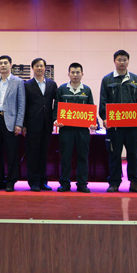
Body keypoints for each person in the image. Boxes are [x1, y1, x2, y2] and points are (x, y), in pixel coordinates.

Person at [99, 50, 137, 193]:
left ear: (128, 61)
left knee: (133, 154)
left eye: (125, 60)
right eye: (119, 60)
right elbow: (103, 101)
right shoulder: (107, 79)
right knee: (114, 154)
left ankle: (135, 183)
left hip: (132, 126)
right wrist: (105, 118)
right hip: (114, 126)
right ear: (114, 61)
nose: (122, 62)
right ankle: (114, 183)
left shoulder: (135, 79)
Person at [53, 63, 97, 193]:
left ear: (82, 74)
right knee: (65, 157)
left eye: (78, 72)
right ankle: (65, 183)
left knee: (83, 157)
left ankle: (82, 184)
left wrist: (93, 122)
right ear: (68, 74)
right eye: (73, 72)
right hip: (66, 129)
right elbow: (56, 108)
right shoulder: (62, 89)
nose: (75, 75)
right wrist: (56, 120)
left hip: (82, 130)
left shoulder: (87, 90)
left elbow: (91, 108)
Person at [0, 55, 26, 192]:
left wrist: (19, 124)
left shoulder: (18, 82)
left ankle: (11, 181)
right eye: (0, 63)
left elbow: (21, 104)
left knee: (12, 153)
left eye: (5, 63)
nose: (3, 65)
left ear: (11, 65)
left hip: (11, 121)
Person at [23, 58, 57, 191]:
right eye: (36, 66)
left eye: (41, 66)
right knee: (33, 154)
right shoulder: (27, 85)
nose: (39, 68)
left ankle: (43, 181)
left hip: (47, 124)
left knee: (44, 154)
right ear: (32, 68)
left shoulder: (52, 84)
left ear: (45, 68)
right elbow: (23, 105)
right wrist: (24, 124)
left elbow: (57, 103)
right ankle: (34, 182)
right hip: (32, 124)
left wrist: (55, 119)